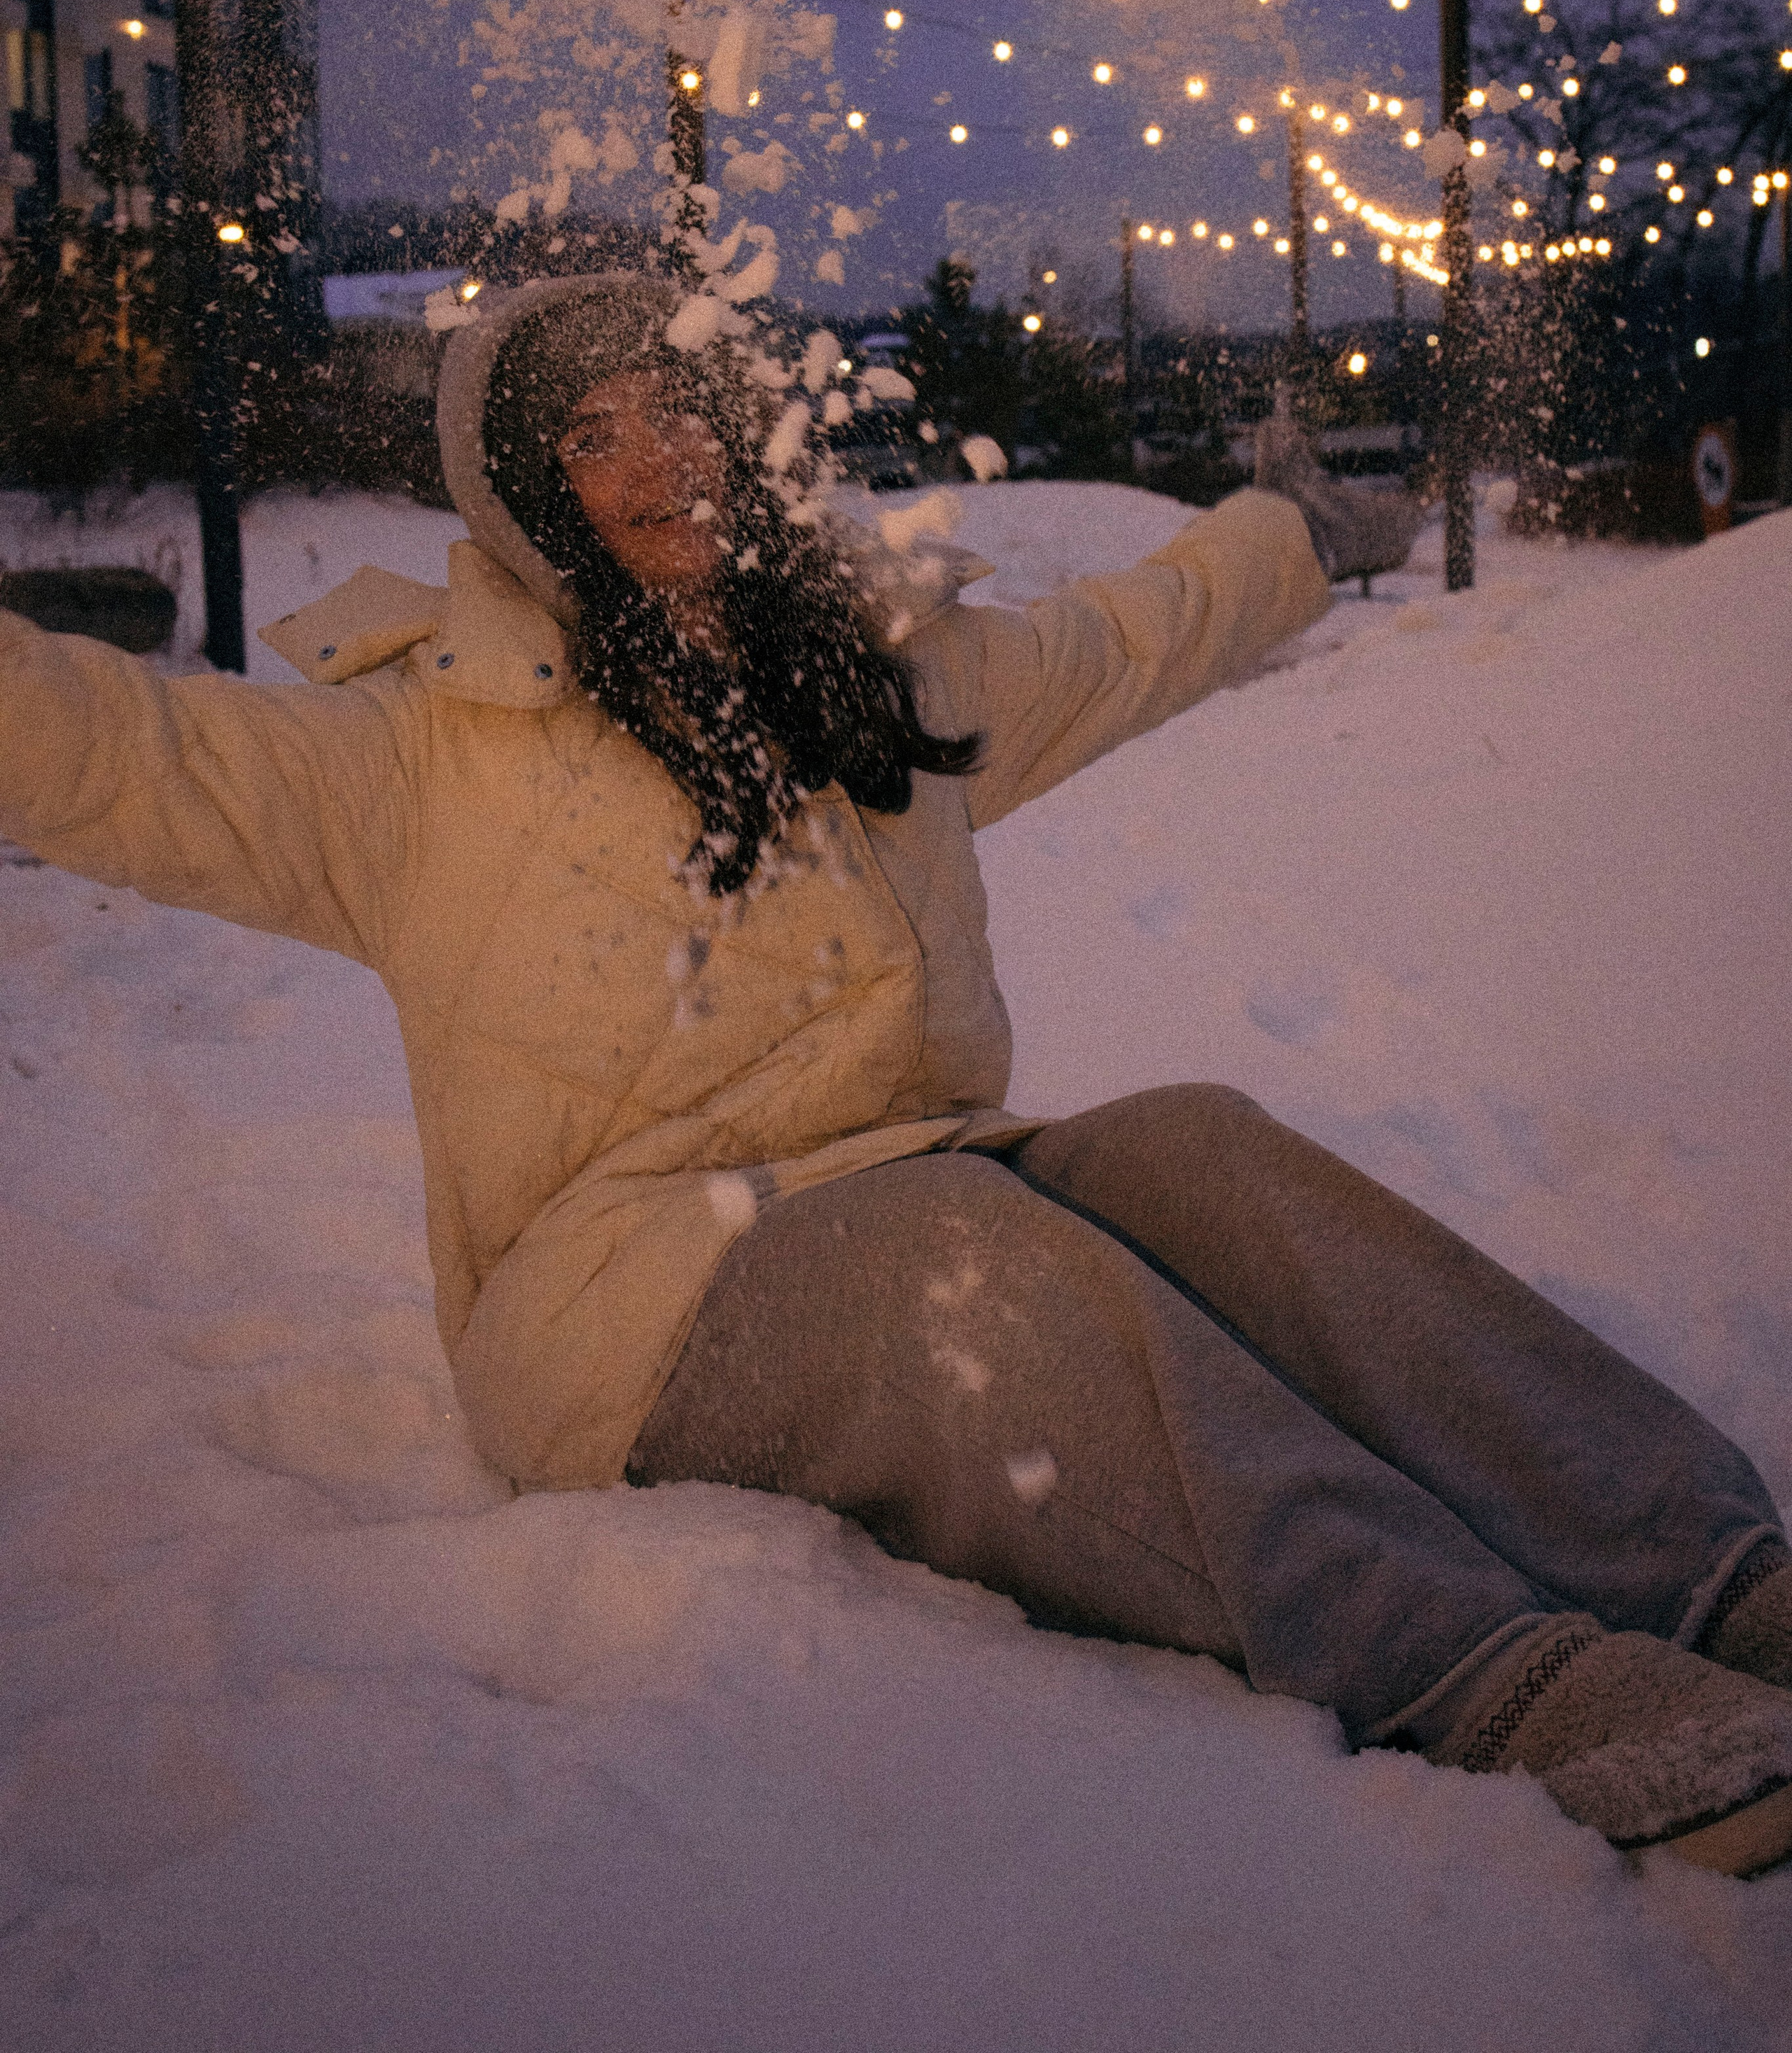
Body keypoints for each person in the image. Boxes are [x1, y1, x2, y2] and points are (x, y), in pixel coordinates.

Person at [3, 270, 1788, 1877]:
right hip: (628, 1302)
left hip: (923, 1168)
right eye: (590, 434)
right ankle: (1488, 1674)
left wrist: (1292, 532)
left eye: (679, 402)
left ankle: (1706, 1563)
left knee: (1198, 1144)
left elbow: (1119, 640)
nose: (654, 457)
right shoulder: (416, 761)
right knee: (956, 1245)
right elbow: (125, 752)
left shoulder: (868, 676)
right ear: (529, 494)